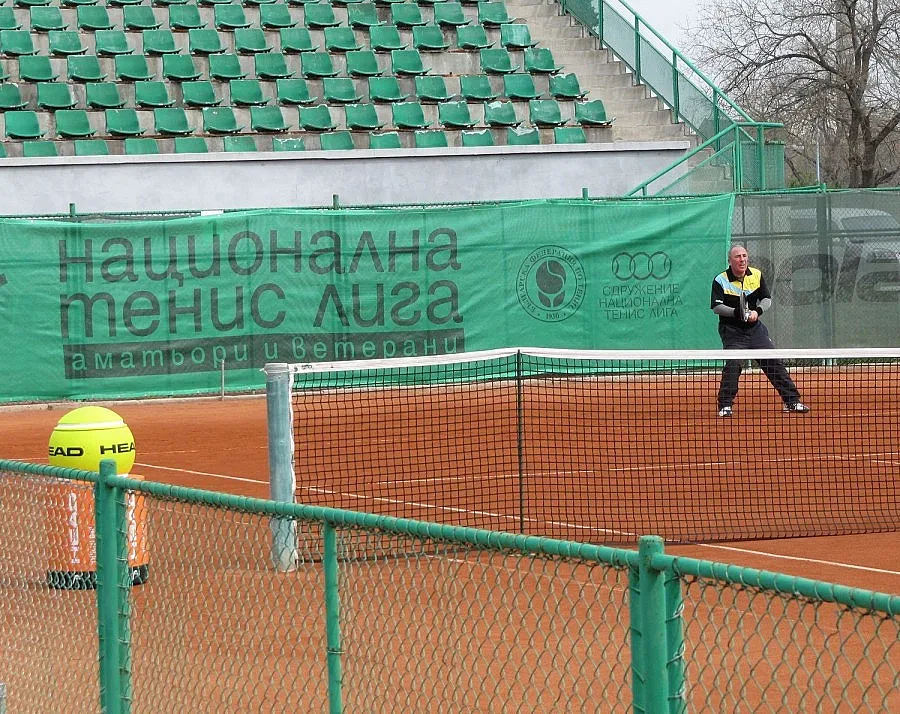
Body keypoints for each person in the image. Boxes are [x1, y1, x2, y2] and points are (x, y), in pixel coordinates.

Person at [710, 244, 810, 417]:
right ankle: (725, 405)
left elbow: (766, 299)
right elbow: (716, 307)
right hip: (732, 331)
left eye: (744, 256)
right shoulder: (720, 280)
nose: (742, 259)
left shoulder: (756, 275)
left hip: (755, 330)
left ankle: (792, 401)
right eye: (737, 257)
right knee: (733, 365)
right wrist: (736, 312)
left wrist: (757, 312)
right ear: (730, 260)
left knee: (774, 362)